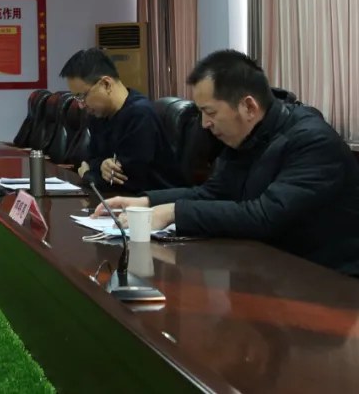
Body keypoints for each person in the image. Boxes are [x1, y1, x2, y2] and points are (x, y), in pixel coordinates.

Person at [96, 50, 359, 276]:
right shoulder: (247, 137)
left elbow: (265, 216)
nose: (204, 124)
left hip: (326, 281)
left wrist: (173, 212)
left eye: (210, 112)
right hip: (264, 268)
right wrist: (146, 202)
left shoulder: (313, 142)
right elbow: (214, 192)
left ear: (248, 107)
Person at [60, 48, 183, 192]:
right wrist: (101, 165)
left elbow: (125, 182)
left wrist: (88, 175)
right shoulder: (98, 115)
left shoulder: (140, 115)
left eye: (82, 96)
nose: (81, 105)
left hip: (155, 202)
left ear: (106, 84)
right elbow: (90, 159)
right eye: (76, 98)